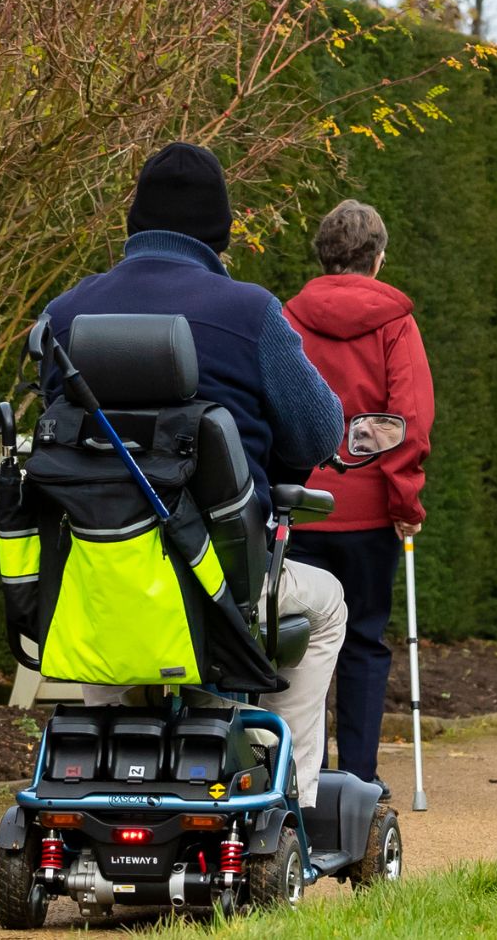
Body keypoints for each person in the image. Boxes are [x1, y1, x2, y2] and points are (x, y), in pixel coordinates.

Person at [39, 142, 350, 804]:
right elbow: (321, 432)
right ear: (223, 230)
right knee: (326, 604)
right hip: (222, 584)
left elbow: (53, 441)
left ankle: (99, 784)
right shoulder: (250, 313)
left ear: (133, 219)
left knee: (118, 611)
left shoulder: (65, 314)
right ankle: (288, 794)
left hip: (103, 576)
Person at [285, 198, 434, 785]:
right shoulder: (396, 322)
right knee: (365, 641)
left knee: (295, 643)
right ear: (378, 259)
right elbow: (408, 420)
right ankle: (359, 782)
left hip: (300, 508)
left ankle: (301, 774)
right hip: (368, 511)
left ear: (324, 255)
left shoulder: (286, 318)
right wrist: (405, 503)